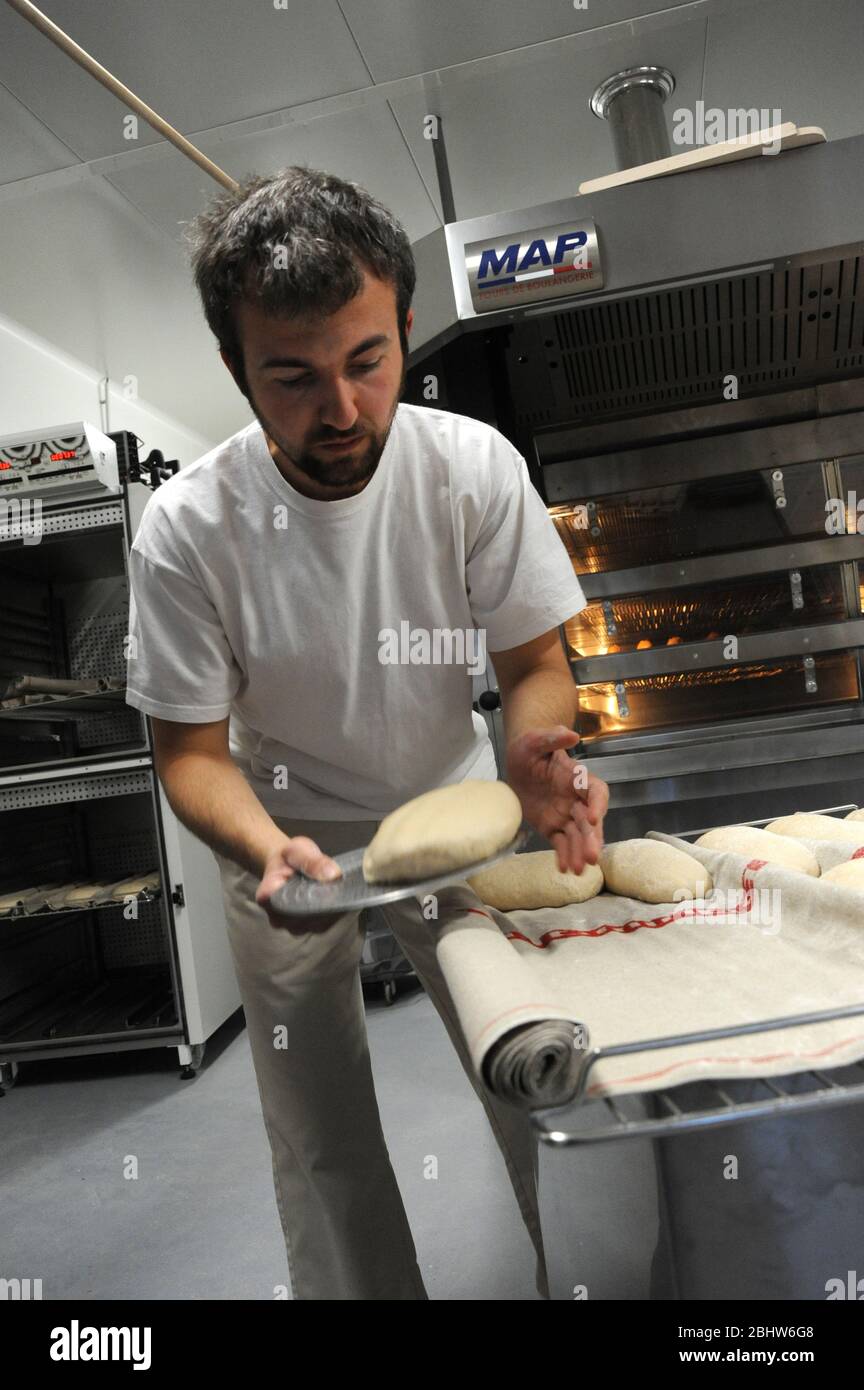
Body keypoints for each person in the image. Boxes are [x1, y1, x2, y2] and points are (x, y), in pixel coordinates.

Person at [125, 165, 610, 1300]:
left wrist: (539, 748)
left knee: (536, 1070)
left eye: (368, 361)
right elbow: (189, 750)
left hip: (453, 817)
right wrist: (259, 848)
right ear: (236, 368)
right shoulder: (190, 532)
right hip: (279, 841)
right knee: (319, 1128)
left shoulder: (470, 469)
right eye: (291, 377)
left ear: (404, 326)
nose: (340, 411)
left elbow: (535, 661)